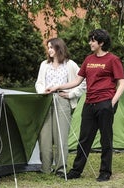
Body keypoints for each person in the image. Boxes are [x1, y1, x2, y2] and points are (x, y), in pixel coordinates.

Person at [46, 29, 124, 181]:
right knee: (84, 139)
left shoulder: (113, 60)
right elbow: (77, 81)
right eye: (90, 40)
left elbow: (122, 83)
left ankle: (105, 172)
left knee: (105, 139)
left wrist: (112, 102)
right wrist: (57, 87)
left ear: (101, 43)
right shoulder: (88, 59)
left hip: (105, 103)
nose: (90, 42)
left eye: (93, 40)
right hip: (89, 103)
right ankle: (76, 171)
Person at [35, 38, 85, 177]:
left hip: (62, 101)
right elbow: (39, 83)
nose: (49, 50)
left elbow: (83, 81)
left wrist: (71, 94)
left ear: (59, 48)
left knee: (61, 137)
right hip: (45, 101)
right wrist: (42, 92)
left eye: (52, 47)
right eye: (48, 47)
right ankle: (45, 168)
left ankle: (60, 169)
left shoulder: (70, 64)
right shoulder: (44, 64)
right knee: (44, 137)